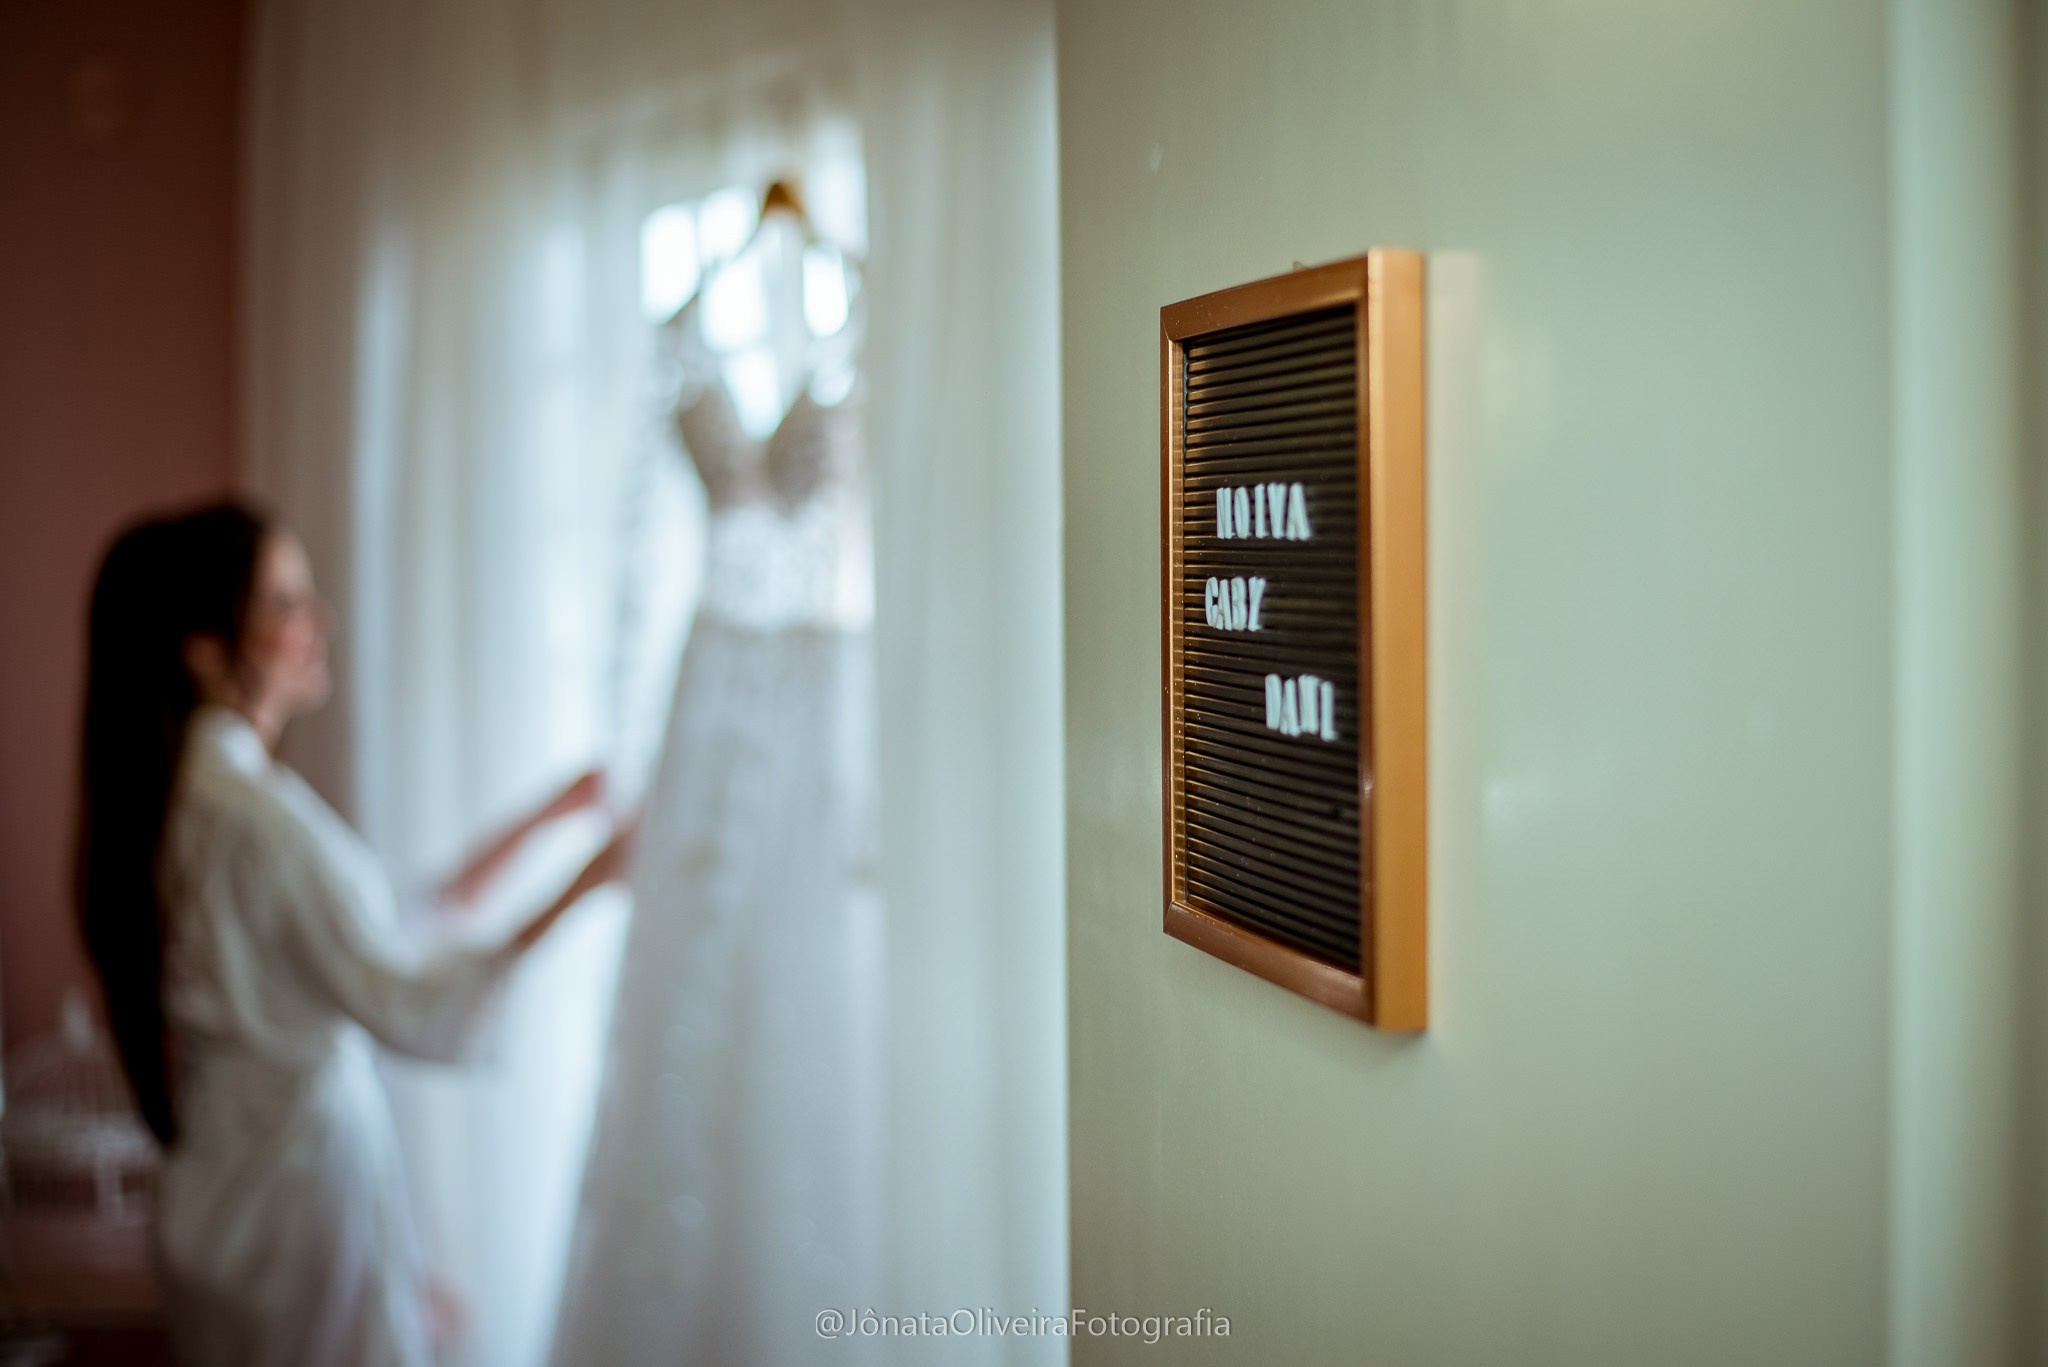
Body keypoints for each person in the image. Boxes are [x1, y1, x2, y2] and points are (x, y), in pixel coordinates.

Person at [73, 500, 632, 1367]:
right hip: (296, 1204)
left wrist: (550, 818)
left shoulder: (184, 801)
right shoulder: (255, 821)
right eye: (288, 601)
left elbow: (381, 920)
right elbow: (404, 995)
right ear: (207, 648)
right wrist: (585, 887)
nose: (319, 620)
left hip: (226, 1193)